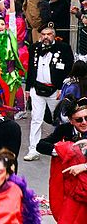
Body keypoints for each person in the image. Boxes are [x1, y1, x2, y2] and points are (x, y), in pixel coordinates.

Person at [24, 24, 74, 161]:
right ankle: (33, 149)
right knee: (36, 119)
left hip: (55, 90)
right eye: (44, 34)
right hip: (37, 88)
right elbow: (30, 69)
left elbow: (69, 68)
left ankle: (63, 147)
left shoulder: (64, 48)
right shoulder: (35, 48)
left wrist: (62, 87)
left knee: (60, 119)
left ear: (53, 34)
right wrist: (28, 88)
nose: (46, 37)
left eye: (49, 34)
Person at [43, 96, 87, 223]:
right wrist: (64, 151)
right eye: (79, 120)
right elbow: (42, 145)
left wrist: (83, 165)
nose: (84, 122)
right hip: (72, 188)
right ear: (71, 121)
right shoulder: (64, 129)